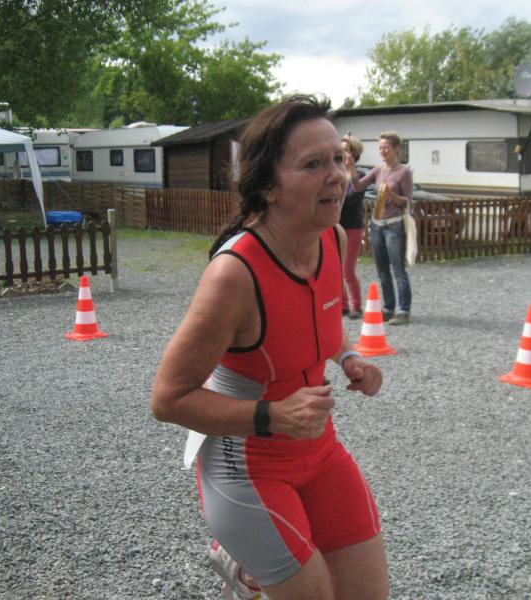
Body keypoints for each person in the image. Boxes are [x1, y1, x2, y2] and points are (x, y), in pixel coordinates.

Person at [151, 95, 388, 600]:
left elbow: (319, 319)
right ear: (268, 186)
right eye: (313, 164)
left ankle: (251, 569)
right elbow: (168, 399)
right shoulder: (233, 275)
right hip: (246, 466)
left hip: (319, 451)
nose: (337, 175)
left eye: (338, 159)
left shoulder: (330, 239)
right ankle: (244, 566)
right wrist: (273, 416)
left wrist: (349, 356)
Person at [345, 130, 413, 325]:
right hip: (377, 225)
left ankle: (404, 310)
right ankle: (388, 308)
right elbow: (358, 187)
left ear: (396, 148)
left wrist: (393, 195)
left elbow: (408, 201)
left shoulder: (403, 172)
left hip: (394, 225)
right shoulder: (377, 170)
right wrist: (351, 169)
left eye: (386, 147)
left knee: (398, 269)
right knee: (382, 269)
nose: (383, 151)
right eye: (381, 147)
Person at [339, 133, 366, 319]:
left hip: (353, 226)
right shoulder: (337, 173)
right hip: (337, 226)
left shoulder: (360, 175)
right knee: (336, 268)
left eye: (345, 150)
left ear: (354, 154)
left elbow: (350, 198)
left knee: (348, 269)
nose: (342, 154)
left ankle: (357, 305)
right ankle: (343, 305)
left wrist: (349, 174)